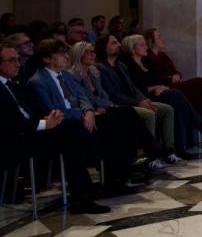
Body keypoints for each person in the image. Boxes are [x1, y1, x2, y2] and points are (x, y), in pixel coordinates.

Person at [0, 42, 111, 214]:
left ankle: (87, 191)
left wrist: (87, 110)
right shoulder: (30, 82)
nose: (18, 63)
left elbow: (28, 114)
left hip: (33, 130)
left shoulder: (13, 84)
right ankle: (86, 190)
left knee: (82, 131)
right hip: (15, 140)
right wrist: (46, 122)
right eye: (12, 60)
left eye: (17, 59)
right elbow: (13, 122)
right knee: (71, 134)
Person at [25, 39, 138, 195]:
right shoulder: (38, 81)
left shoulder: (64, 74)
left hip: (81, 116)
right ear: (46, 58)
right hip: (62, 124)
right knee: (105, 130)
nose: (66, 57)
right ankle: (110, 178)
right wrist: (83, 114)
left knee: (120, 117)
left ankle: (118, 177)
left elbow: (82, 95)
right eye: (60, 54)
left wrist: (88, 111)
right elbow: (54, 111)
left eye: (66, 53)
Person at [93, 33, 183, 163]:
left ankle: (169, 151)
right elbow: (113, 94)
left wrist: (144, 100)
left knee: (167, 109)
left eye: (118, 42)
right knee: (148, 114)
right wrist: (138, 102)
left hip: (134, 101)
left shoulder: (121, 65)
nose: (118, 45)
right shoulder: (100, 68)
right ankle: (152, 157)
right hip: (119, 104)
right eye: (113, 43)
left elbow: (133, 88)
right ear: (104, 48)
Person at [142, 28, 202, 143]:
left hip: (174, 85)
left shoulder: (163, 55)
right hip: (164, 89)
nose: (162, 39)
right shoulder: (148, 57)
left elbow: (176, 71)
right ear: (151, 41)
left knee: (201, 96)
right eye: (158, 37)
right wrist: (170, 78)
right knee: (199, 82)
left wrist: (177, 75)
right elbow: (155, 78)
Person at [120, 34, 202, 152]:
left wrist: (161, 87)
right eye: (142, 45)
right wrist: (154, 87)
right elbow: (133, 88)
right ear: (132, 48)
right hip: (144, 98)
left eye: (145, 44)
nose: (146, 47)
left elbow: (158, 80)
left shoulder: (146, 62)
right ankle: (201, 124)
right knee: (175, 94)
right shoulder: (127, 65)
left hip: (157, 94)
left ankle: (179, 148)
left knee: (177, 105)